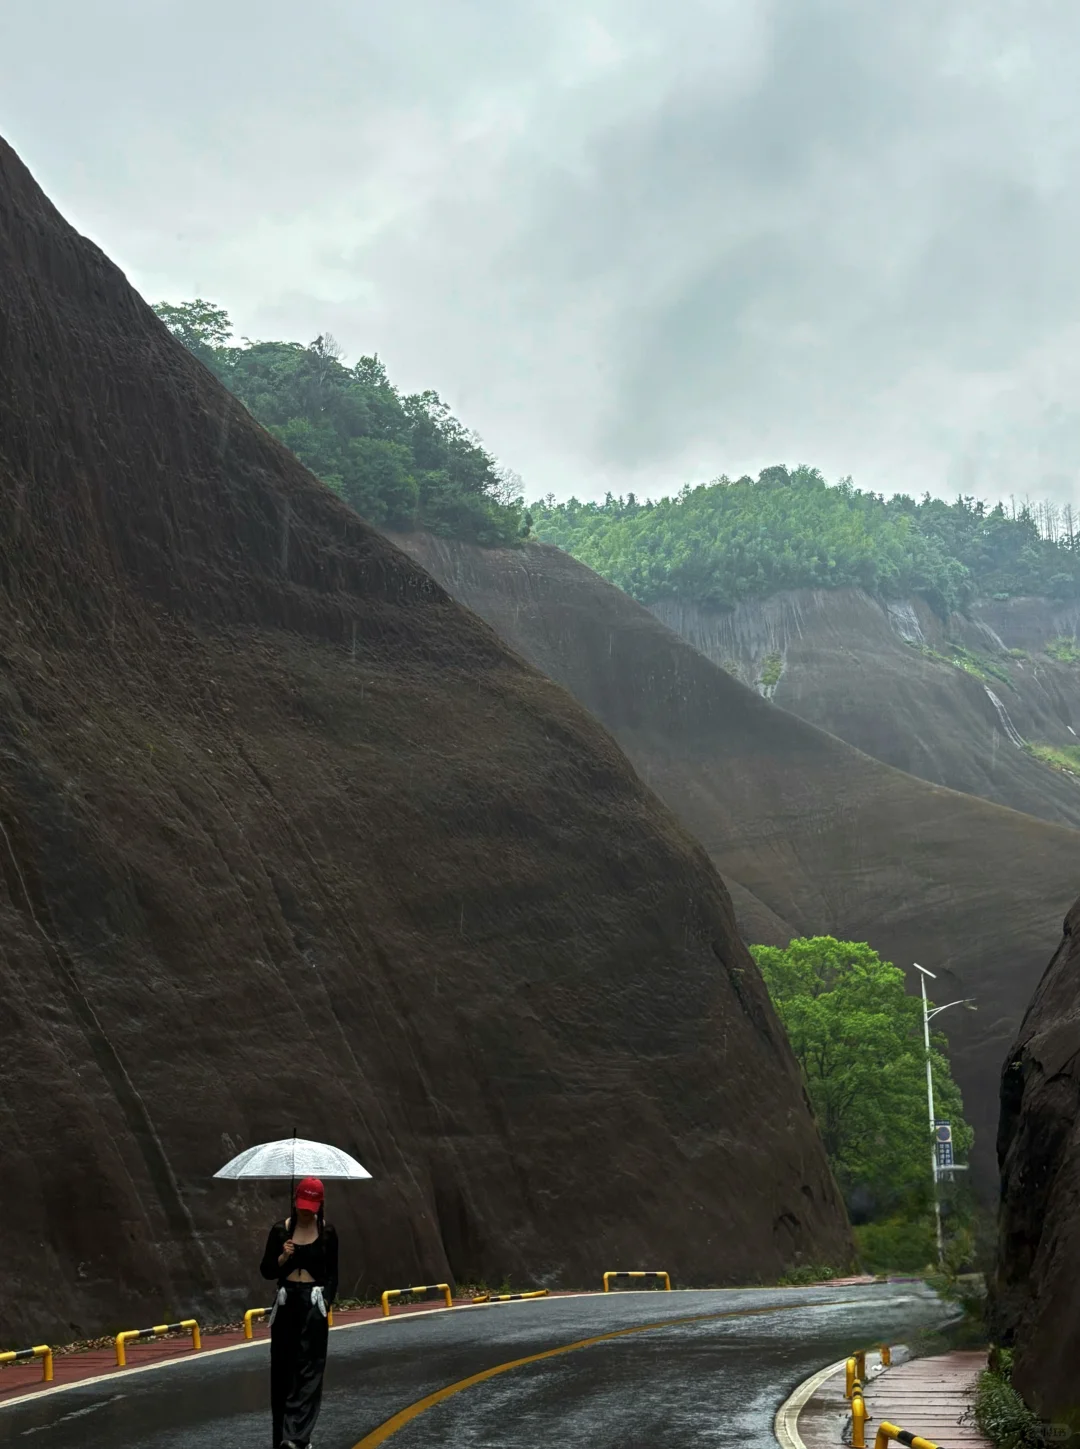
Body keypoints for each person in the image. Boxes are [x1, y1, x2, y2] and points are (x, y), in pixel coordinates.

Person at [260, 1176, 339, 1449]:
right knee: (283, 1371)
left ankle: (297, 1438)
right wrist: (282, 1258)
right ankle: (281, 1439)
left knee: (310, 1373)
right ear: (295, 1202)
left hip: (313, 1303)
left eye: (311, 1207)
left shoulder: (328, 1232)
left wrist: (324, 1303)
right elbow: (267, 1271)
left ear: (320, 1205)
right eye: (302, 1205)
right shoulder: (279, 1232)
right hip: (286, 1303)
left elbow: (333, 1275)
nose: (305, 1212)